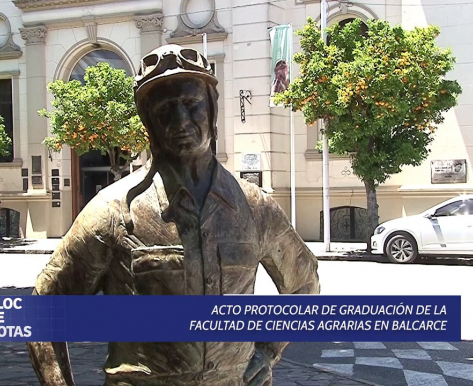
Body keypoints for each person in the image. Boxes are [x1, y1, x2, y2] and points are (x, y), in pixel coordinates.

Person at [27, 45, 320, 386]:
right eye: (165, 109)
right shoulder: (112, 213)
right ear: (149, 120)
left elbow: (304, 284)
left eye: (191, 104)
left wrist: (268, 352)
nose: (181, 121)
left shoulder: (256, 209)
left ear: (211, 107)